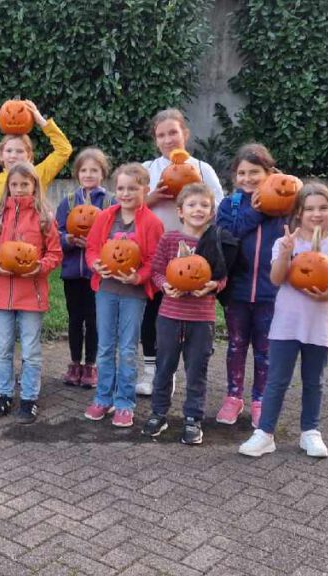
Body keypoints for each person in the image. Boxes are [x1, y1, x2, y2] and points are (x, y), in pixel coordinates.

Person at [239, 183, 328, 458]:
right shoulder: (285, 242)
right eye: (310, 209)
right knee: (277, 380)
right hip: (286, 324)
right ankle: (265, 433)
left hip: (320, 323)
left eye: (323, 208)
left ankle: (310, 432)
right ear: (299, 213)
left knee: (314, 380)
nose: (317, 214)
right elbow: (277, 279)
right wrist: (285, 252)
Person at [137, 108, 224, 396]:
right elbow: (127, 208)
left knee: (189, 314)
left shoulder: (201, 169)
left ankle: (180, 369)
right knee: (152, 313)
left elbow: (218, 209)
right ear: (155, 140)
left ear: (184, 134)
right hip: (155, 252)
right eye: (161, 135)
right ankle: (154, 369)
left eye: (173, 132)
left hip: (195, 254)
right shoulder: (148, 169)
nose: (167, 139)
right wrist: (150, 199)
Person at [140, 184, 228, 445]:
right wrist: (163, 285)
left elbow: (222, 276)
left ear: (211, 212)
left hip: (202, 319)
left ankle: (193, 418)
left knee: (197, 370)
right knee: (164, 367)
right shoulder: (169, 240)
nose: (198, 210)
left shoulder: (214, 240)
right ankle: (159, 412)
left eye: (203, 205)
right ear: (180, 211)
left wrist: (214, 286)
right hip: (169, 315)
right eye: (192, 205)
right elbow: (156, 271)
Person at [82, 164, 163, 427]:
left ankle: (125, 402)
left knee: (127, 348)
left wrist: (138, 277)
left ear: (145, 190)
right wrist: (95, 263)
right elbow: (93, 249)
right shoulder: (105, 216)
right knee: (105, 347)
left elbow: (154, 260)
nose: (125, 193)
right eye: (121, 188)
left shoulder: (151, 223)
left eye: (132, 188)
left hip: (133, 293)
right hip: (106, 290)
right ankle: (103, 397)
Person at [0, 162, 62, 424]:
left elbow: (55, 254)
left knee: (30, 350)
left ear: (34, 186)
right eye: (14, 185)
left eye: (25, 185)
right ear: (8, 186)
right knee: (2, 348)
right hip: (1, 295)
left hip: (32, 295)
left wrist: (40, 267)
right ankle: (4, 394)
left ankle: (29, 398)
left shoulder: (44, 218)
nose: (19, 189)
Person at [215, 143, 285, 427]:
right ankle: (233, 396)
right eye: (242, 173)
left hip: (271, 291)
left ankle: (260, 399)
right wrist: (257, 211)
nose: (247, 178)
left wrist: (275, 197)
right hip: (237, 291)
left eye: (254, 172)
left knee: (265, 349)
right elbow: (226, 233)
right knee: (236, 345)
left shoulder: (284, 204)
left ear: (268, 172)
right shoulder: (229, 205)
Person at [55, 148, 113, 388]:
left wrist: (97, 243)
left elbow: (117, 234)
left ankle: (91, 365)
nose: (89, 174)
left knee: (94, 319)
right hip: (73, 272)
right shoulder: (68, 202)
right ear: (77, 173)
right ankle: (74, 362)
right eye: (84, 170)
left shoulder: (110, 202)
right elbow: (55, 233)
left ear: (102, 173)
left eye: (94, 170)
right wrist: (68, 240)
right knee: (75, 318)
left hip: (97, 272)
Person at [0, 100, 73, 217]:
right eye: (9, 151)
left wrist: (41, 121)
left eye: (20, 151)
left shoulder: (38, 175)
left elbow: (64, 150)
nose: (13, 156)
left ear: (29, 155)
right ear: (1, 155)